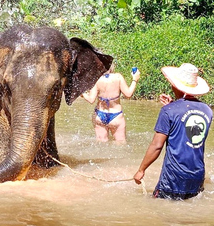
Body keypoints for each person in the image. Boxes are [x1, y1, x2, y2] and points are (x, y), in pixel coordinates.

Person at [134, 63, 212, 200]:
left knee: (161, 213)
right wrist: (173, 105)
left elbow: (157, 146)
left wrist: (141, 170)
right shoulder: (207, 110)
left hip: (174, 177)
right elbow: (188, 130)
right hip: (197, 175)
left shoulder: (168, 111)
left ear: (175, 85)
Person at [82, 64, 140, 142]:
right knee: (120, 145)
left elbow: (91, 99)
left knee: (101, 145)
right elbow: (128, 94)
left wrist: (82, 93)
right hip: (116, 116)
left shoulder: (96, 79)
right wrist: (135, 79)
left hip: (99, 115)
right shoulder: (118, 77)